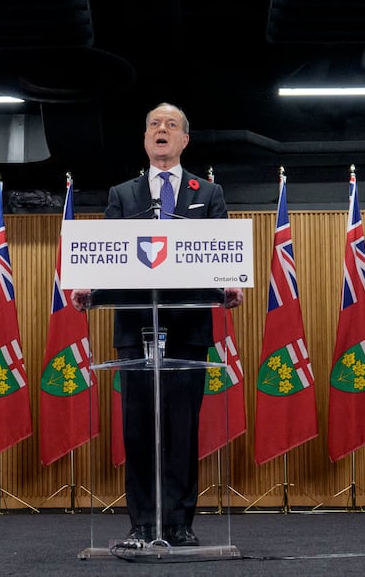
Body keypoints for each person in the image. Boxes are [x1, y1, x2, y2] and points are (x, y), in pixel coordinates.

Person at [71, 102, 244, 547]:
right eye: (153, 125)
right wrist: (90, 290)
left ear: (185, 140)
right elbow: (110, 257)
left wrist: (228, 286)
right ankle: (142, 523)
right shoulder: (122, 195)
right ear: (146, 140)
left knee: (182, 429)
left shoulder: (209, 192)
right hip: (135, 329)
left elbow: (221, 252)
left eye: (170, 125)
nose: (161, 130)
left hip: (188, 330)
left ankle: (181, 522)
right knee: (139, 429)